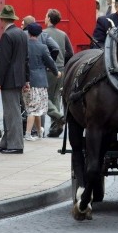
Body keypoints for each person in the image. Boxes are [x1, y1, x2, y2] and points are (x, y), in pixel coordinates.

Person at [0, 5, 29, 155]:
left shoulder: (7, 36)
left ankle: (16, 145)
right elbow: (26, 59)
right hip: (18, 78)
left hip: (9, 80)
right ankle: (6, 142)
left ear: (2, 20)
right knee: (10, 112)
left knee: (12, 113)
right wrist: (27, 80)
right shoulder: (21, 33)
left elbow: (4, 62)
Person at [23, 23, 60, 141]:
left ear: (28, 33)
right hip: (39, 81)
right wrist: (56, 72)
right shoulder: (42, 47)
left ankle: (39, 131)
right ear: (40, 34)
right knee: (34, 109)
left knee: (35, 108)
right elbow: (50, 62)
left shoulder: (23, 46)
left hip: (26, 81)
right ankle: (28, 134)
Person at [44, 8, 74, 137]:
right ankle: (55, 127)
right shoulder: (63, 34)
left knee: (43, 97)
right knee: (55, 97)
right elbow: (70, 53)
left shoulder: (43, 33)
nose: (45, 18)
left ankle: (59, 116)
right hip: (61, 69)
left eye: (46, 16)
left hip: (48, 69)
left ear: (49, 19)